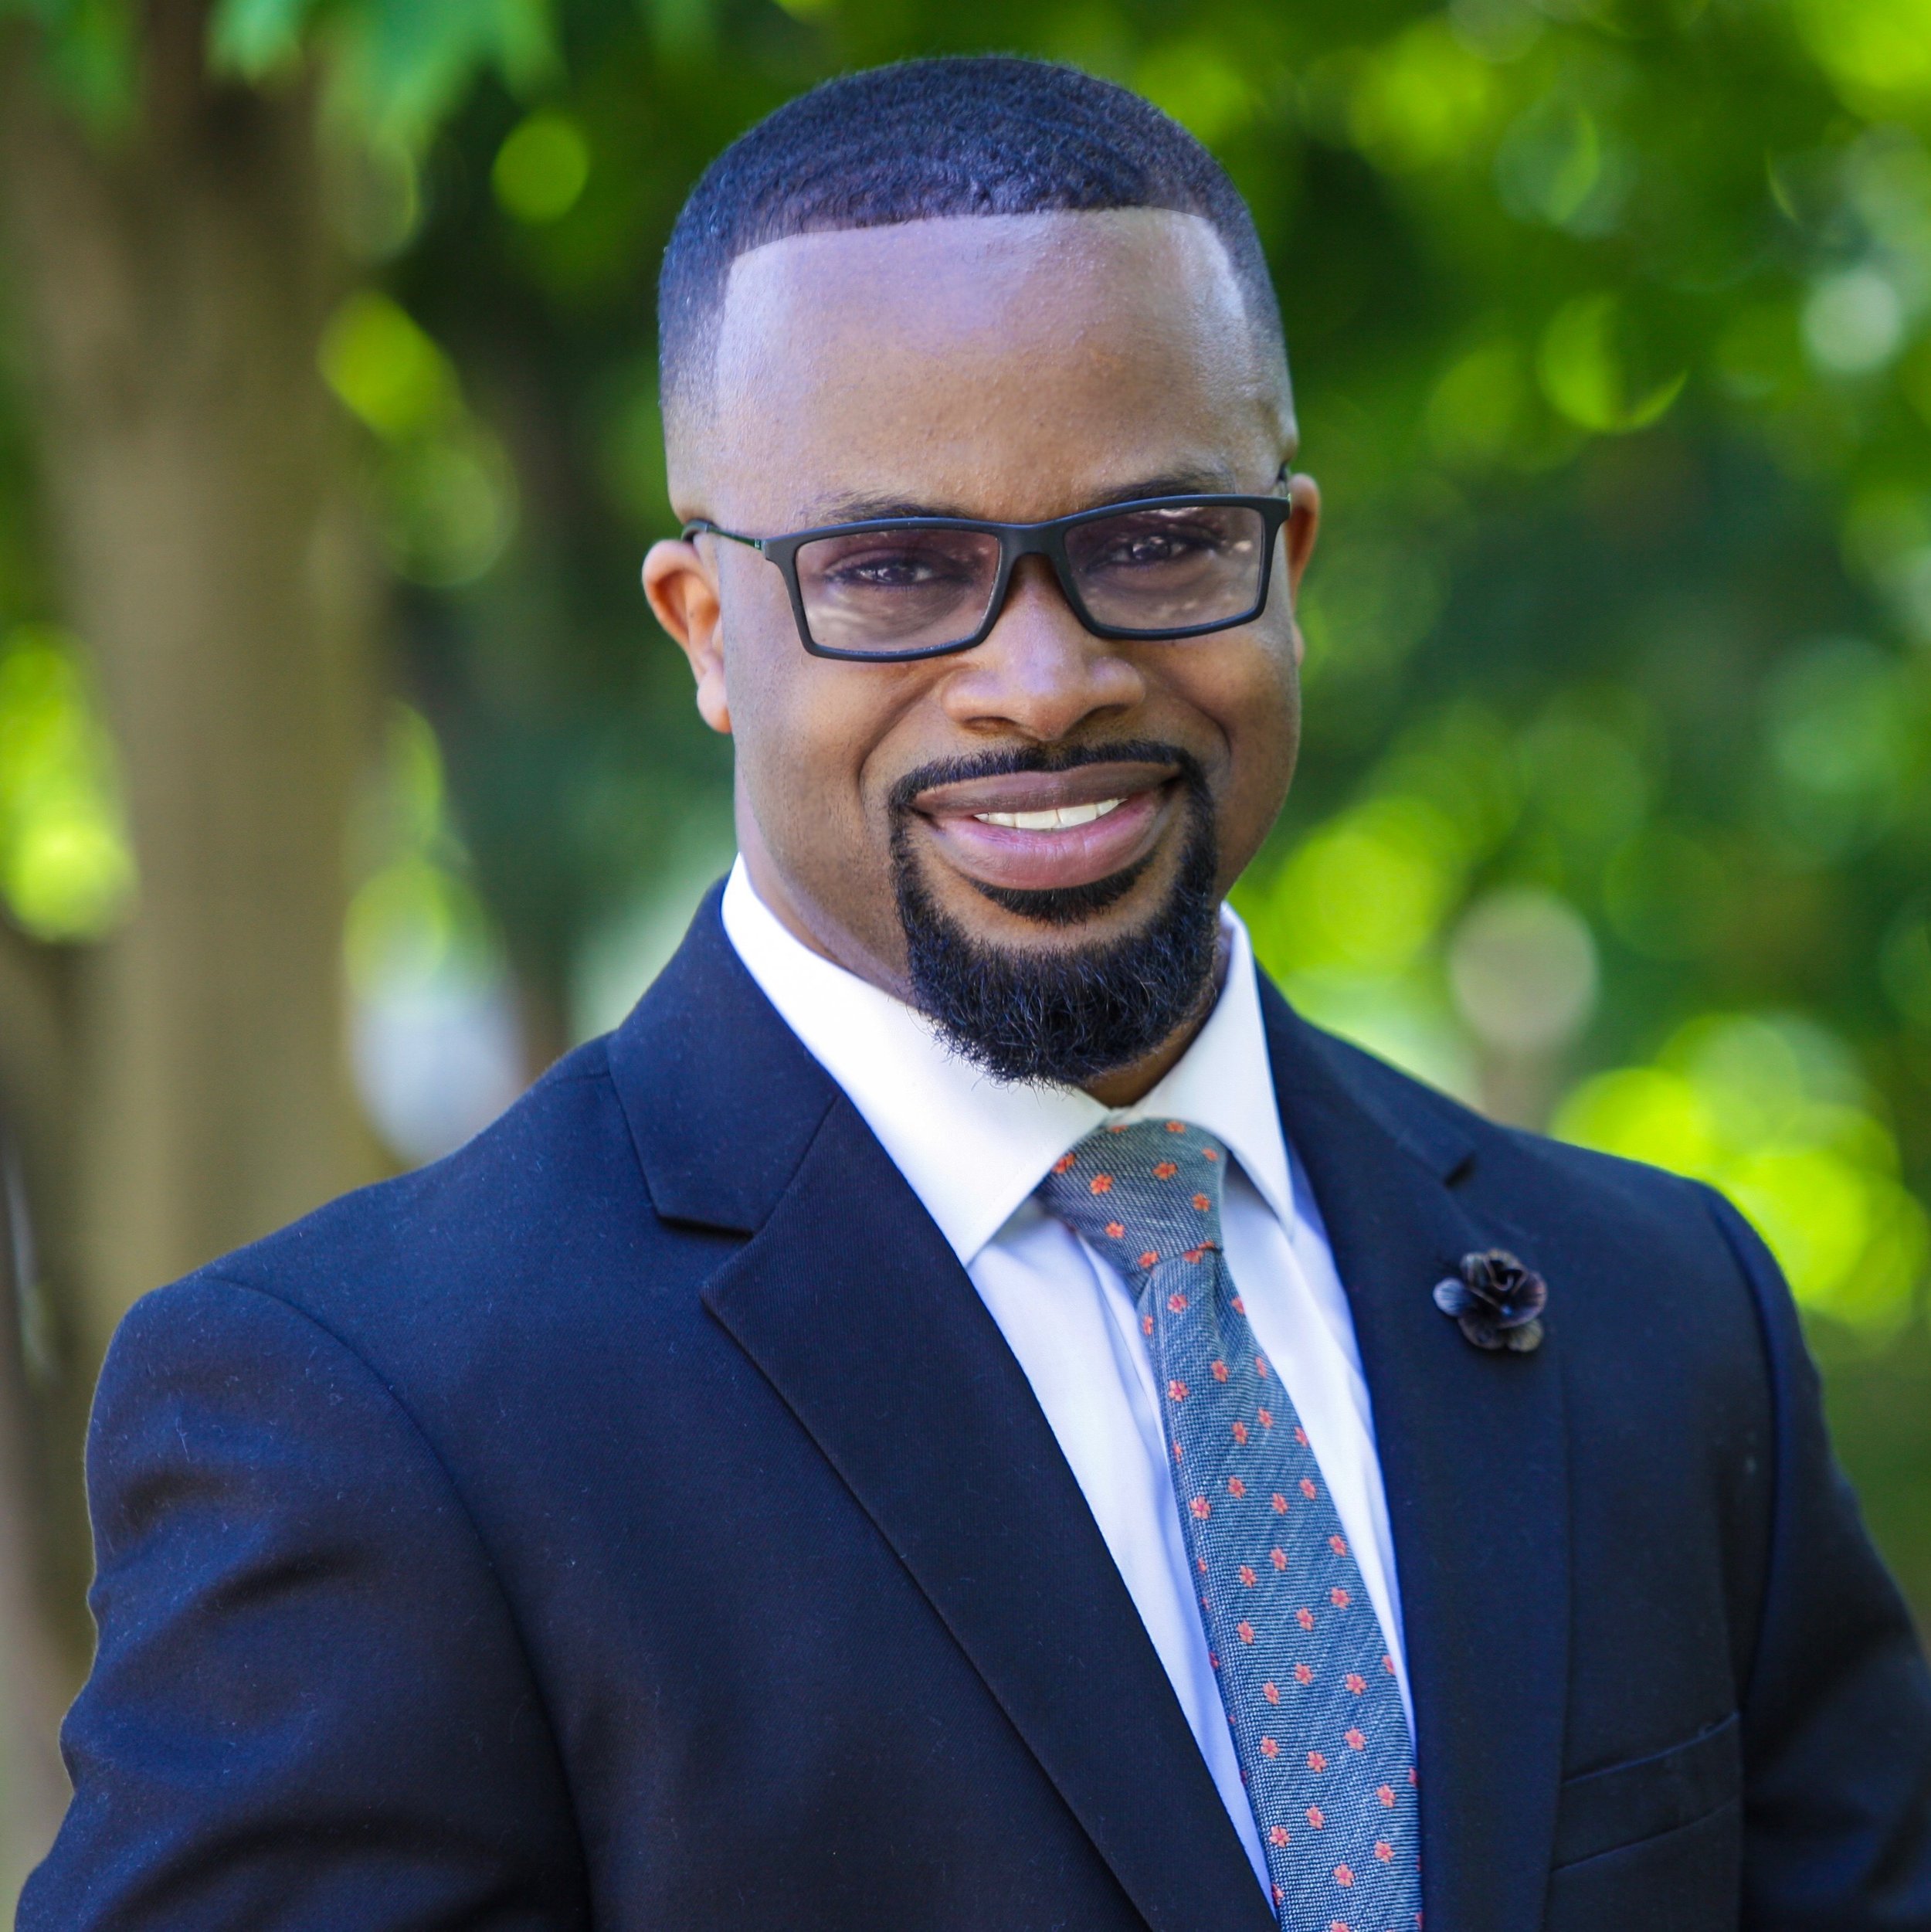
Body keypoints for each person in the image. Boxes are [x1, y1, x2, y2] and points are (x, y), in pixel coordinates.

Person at [22, 55, 1931, 1932]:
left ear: (1287, 562)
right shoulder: (376, 1408)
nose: (1040, 679)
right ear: (706, 630)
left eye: (1154, 543)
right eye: (895, 568)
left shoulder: (1660, 1316)